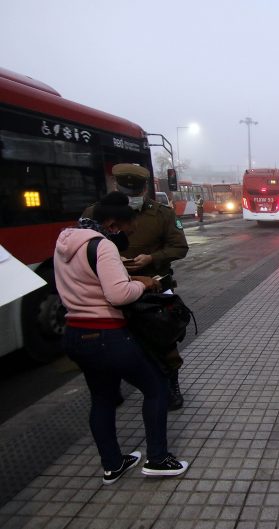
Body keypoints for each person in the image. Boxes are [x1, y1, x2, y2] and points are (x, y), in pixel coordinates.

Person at [54, 191, 189, 484]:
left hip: (76, 334)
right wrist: (146, 284)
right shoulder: (102, 246)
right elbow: (117, 295)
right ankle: (157, 459)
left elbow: (86, 281)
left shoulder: (66, 241)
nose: (129, 234)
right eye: (128, 229)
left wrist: (126, 275)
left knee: (101, 399)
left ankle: (113, 464)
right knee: (156, 389)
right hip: (107, 335)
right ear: (113, 224)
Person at [83, 164, 189, 410]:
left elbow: (180, 247)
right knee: (112, 341)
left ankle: (171, 385)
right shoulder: (95, 212)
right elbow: (86, 245)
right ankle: (112, 388)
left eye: (136, 191)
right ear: (116, 187)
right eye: (126, 189)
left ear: (145, 189)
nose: (132, 196)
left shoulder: (162, 213)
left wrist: (152, 258)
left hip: (154, 289)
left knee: (164, 338)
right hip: (111, 288)